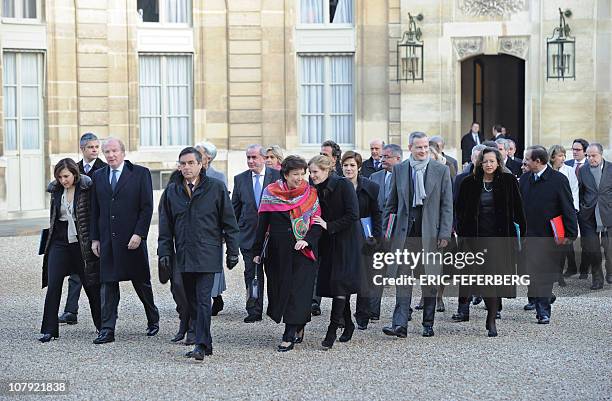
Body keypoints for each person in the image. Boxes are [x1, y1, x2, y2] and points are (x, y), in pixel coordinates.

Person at [158, 147, 240, 360]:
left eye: (190, 163)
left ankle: (201, 344)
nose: (186, 167)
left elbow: (229, 222)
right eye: (183, 163)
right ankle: (206, 342)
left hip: (207, 253)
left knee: (204, 299)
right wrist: (164, 252)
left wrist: (233, 250)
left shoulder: (216, 188)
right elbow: (166, 226)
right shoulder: (172, 191)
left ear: (201, 164)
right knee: (191, 301)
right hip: (184, 255)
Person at [382, 132, 453, 338]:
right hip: (405, 236)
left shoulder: (441, 170)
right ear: (410, 147)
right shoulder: (400, 169)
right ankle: (400, 325)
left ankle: (428, 323)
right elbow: (391, 204)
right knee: (403, 279)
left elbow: (447, 206)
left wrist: (445, 233)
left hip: (431, 234)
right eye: (418, 147)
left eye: (425, 147)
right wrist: (387, 232)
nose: (422, 151)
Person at [90, 138, 159, 344]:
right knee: (108, 285)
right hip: (108, 240)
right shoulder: (98, 176)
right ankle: (107, 329)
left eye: (114, 151)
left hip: (132, 240)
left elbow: (146, 208)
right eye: (107, 152)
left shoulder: (140, 174)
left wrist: (139, 234)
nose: (110, 155)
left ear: (123, 152)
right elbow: (95, 210)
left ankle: (152, 318)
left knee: (141, 283)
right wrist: (95, 238)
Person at [252, 155, 322, 352]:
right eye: (295, 174)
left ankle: (289, 333)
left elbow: (316, 224)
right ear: (285, 174)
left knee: (298, 291)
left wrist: (307, 240)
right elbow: (262, 223)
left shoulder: (311, 193)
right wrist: (257, 250)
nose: (300, 178)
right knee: (280, 289)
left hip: (303, 251)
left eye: (302, 174)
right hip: (277, 251)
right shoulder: (270, 192)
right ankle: (299, 324)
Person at [455, 148, 526, 336]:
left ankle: (492, 318)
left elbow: (519, 209)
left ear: (498, 163)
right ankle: (490, 315)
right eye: (485, 161)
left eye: (492, 161)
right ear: (480, 163)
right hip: (475, 240)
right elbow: (460, 211)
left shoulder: (508, 181)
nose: (489, 165)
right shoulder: (468, 183)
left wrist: (523, 237)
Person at [39, 158, 102, 342]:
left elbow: (93, 216)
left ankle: (102, 326)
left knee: (91, 285)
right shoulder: (56, 190)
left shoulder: (86, 188)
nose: (63, 180)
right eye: (59, 177)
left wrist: (95, 240)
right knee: (54, 284)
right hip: (59, 242)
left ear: (74, 174)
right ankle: (49, 330)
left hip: (81, 243)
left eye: (66, 176)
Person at [519, 146, 577, 324]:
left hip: (548, 236)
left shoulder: (558, 180)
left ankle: (543, 311)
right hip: (528, 236)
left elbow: (568, 207)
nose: (524, 162)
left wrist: (571, 233)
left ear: (538, 161)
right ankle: (539, 300)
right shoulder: (524, 179)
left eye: (527, 159)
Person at [308, 155, 361, 349]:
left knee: (340, 284)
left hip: (347, 241)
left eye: (315, 172)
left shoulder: (343, 185)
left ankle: (332, 330)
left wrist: (328, 225)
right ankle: (348, 324)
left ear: (327, 170)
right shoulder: (315, 187)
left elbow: (353, 215)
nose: (312, 175)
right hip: (328, 242)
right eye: (311, 172)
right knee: (337, 284)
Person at [59, 132, 107, 326]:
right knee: (75, 272)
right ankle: (71, 311)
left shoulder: (104, 169)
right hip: (75, 227)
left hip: (95, 225)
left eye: (97, 147)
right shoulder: (72, 169)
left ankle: (104, 315)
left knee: (98, 273)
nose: (95, 150)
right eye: (91, 147)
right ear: (82, 149)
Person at [232, 144, 281, 323]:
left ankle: (276, 308)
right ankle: (253, 309)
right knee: (252, 275)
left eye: (254, 157)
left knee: (274, 274)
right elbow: (234, 210)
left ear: (263, 158)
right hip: (249, 236)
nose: (251, 161)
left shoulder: (276, 177)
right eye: (248, 158)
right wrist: (233, 234)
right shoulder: (240, 179)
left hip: (272, 236)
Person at [340, 151, 382, 331]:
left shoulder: (371, 187)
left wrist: (377, 238)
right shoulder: (336, 186)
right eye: (345, 165)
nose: (349, 169)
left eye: (352, 165)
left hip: (365, 236)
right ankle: (343, 316)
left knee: (365, 276)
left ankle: (363, 314)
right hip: (343, 236)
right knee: (344, 277)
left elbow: (377, 213)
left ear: (359, 167)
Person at [368, 144, 403, 320]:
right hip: (379, 230)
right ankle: (373, 311)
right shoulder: (374, 177)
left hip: (400, 230)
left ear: (398, 158)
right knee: (377, 271)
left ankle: (403, 310)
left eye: (386, 157)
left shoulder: (407, 175)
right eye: (382, 157)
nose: (382, 160)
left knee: (401, 273)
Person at [195, 141, 227, 316]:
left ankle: (215, 297)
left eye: (199, 153)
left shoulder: (218, 176)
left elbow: (224, 205)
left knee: (213, 265)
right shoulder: (188, 173)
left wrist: (224, 230)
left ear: (208, 157)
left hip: (212, 228)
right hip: (193, 228)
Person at [578, 143, 612, 289]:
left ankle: (610, 273)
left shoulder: (611, 168)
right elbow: (580, 191)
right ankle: (597, 278)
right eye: (588, 156)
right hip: (589, 214)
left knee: (610, 248)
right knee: (592, 249)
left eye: (593, 155)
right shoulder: (583, 170)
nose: (590, 158)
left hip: (608, 213)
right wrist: (582, 208)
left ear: (601, 154)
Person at [548, 145, 579, 286]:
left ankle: (559, 273)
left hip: (563, 213)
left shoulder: (569, 170)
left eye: (564, 155)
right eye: (560, 155)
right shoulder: (546, 170)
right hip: (548, 213)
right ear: (552, 157)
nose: (563, 158)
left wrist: (574, 209)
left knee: (561, 244)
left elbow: (574, 190)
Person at [565, 138, 590, 279]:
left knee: (586, 238)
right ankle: (571, 267)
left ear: (585, 151)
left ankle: (585, 268)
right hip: (569, 207)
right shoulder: (567, 164)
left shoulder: (590, 164)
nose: (574, 152)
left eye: (578, 150)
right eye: (573, 149)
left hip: (585, 208)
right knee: (568, 237)